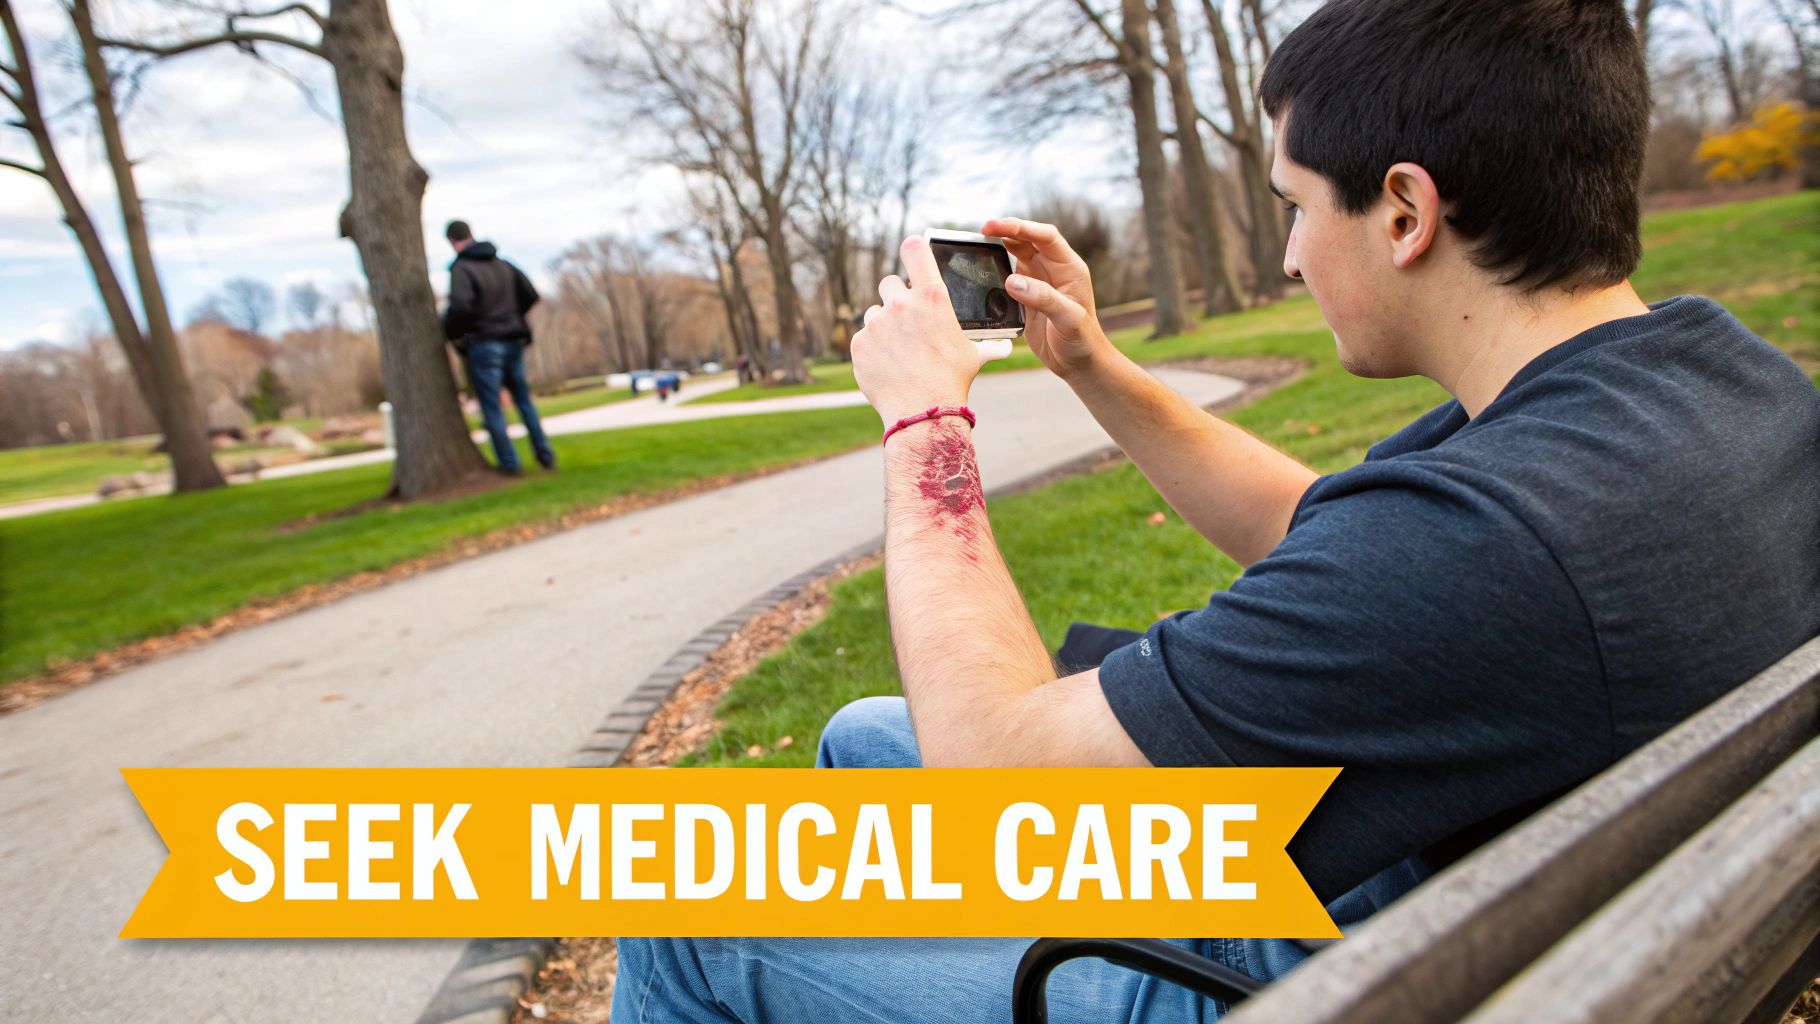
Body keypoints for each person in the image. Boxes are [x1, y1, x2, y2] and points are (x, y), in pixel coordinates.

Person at [612, 0, 1820, 1019]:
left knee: (689, 897)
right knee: (867, 738)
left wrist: (925, 419)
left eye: (1296, 203)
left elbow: (992, 779)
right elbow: (1326, 525)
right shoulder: (1707, 389)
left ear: (1404, 213)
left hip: (1318, 973)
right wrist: (1092, 360)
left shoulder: (1490, 543)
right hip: (1466, 914)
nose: (1290, 256)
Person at [441, 220, 556, 474]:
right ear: (470, 234)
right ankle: (545, 456)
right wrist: (512, 317)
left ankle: (509, 464)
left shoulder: (462, 268)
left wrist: (452, 331)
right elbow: (530, 294)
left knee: (491, 406)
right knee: (524, 402)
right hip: (513, 339)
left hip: (485, 342)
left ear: (451, 241)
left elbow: (461, 306)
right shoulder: (503, 264)